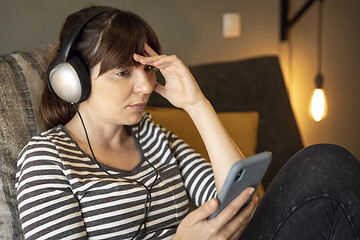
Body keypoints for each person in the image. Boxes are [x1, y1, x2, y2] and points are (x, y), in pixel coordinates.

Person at [15, 6, 360, 240]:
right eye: (123, 72)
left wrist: (196, 104)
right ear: (72, 81)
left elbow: (241, 200)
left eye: (147, 68)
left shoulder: (153, 137)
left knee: (324, 162)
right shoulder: (46, 160)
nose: (146, 85)